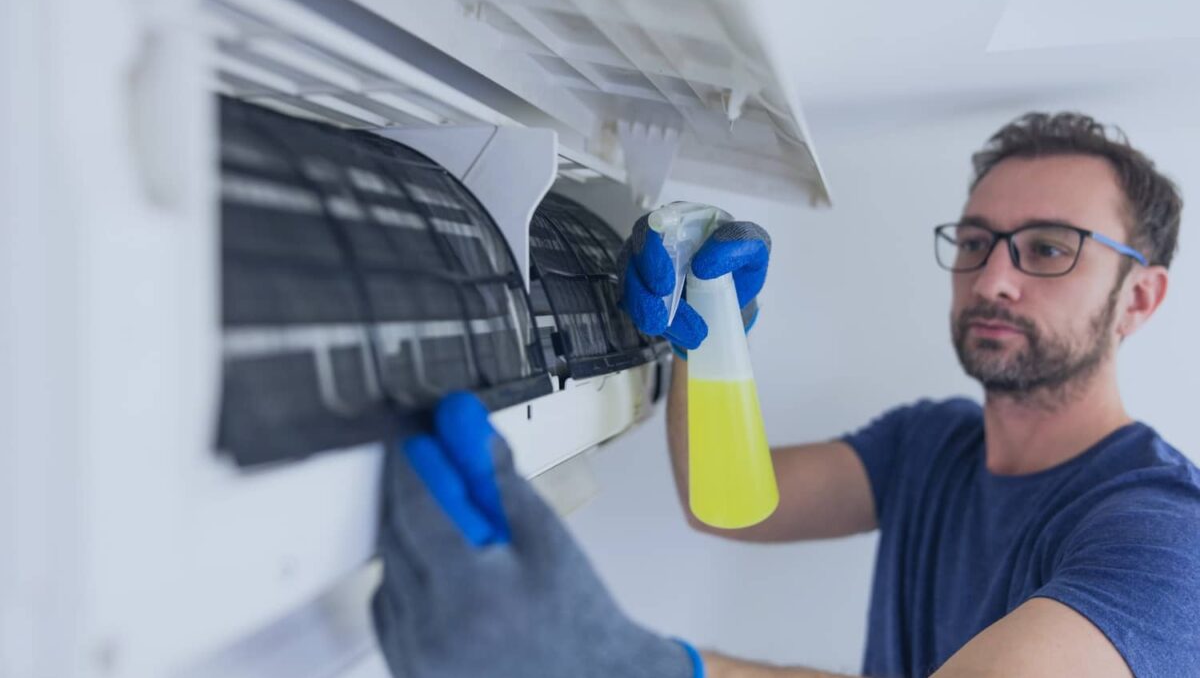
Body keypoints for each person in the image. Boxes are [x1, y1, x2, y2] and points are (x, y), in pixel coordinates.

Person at [371, 112, 1200, 677]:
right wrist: (707, 329)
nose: (995, 278)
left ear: (1140, 298)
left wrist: (645, 667)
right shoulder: (933, 448)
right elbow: (729, 503)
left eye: (1048, 249)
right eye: (977, 241)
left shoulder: (1165, 534)